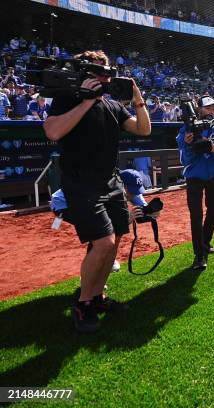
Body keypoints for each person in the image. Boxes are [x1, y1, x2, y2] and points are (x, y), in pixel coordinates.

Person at [43, 49, 151, 333]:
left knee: (114, 241)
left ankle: (98, 296)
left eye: (107, 71)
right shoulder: (68, 97)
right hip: (80, 181)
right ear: (85, 73)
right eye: (98, 71)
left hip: (110, 180)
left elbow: (143, 129)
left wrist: (137, 97)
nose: (104, 76)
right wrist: (85, 102)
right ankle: (83, 302)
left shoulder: (113, 105)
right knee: (102, 243)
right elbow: (52, 132)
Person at [50, 169, 156, 274]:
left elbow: (144, 207)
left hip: (79, 200)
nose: (134, 194)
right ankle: (90, 275)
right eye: (132, 191)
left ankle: (105, 258)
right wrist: (128, 218)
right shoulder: (103, 190)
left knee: (103, 231)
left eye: (136, 191)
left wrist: (151, 211)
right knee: (99, 235)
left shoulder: (128, 188)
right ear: (121, 185)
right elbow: (110, 222)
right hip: (64, 205)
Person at [176, 97, 214, 270]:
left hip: (213, 176)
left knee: (213, 211)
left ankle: (206, 243)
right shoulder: (187, 129)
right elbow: (184, 159)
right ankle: (199, 255)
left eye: (213, 108)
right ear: (198, 109)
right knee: (196, 215)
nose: (211, 111)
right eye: (207, 108)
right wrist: (188, 145)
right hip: (194, 177)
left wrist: (213, 148)